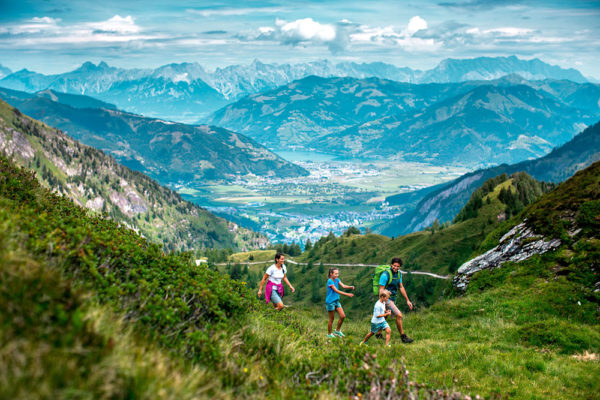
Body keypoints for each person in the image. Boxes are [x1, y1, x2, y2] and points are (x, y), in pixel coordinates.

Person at [378, 257, 414, 343]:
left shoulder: (399, 274)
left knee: (385, 316)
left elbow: (401, 287)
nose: (396, 267)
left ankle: (378, 334)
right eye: (394, 265)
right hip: (386, 299)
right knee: (399, 315)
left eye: (398, 266)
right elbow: (381, 290)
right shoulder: (385, 274)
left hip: (393, 298)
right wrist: (383, 302)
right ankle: (403, 337)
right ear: (391, 265)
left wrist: (407, 300)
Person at [325, 268, 355, 338]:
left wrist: (350, 287)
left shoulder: (337, 280)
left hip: (336, 301)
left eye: (337, 273)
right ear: (331, 274)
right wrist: (347, 294)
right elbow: (336, 291)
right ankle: (329, 334)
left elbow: (343, 286)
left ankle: (337, 331)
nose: (337, 275)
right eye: (335, 274)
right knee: (331, 319)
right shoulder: (330, 281)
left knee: (343, 316)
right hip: (330, 302)